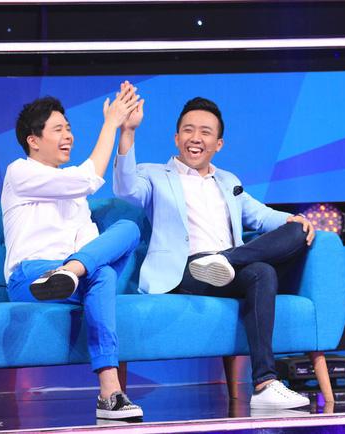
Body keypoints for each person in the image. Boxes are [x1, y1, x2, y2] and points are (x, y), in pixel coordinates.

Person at [113, 96, 332, 409]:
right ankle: (225, 262)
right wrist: (128, 132)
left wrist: (292, 220)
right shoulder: (154, 175)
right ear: (176, 138)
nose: (195, 138)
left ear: (218, 144)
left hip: (227, 266)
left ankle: (264, 385)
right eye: (188, 130)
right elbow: (125, 189)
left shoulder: (228, 181)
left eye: (205, 132)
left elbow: (260, 215)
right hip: (185, 269)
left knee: (278, 253)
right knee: (259, 268)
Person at [1, 83, 145, 420]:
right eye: (58, 129)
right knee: (102, 273)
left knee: (128, 230)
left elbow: (90, 239)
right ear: (33, 140)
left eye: (69, 128)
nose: (68, 136)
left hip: (71, 276)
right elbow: (88, 179)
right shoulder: (19, 172)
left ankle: (71, 271)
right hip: (30, 276)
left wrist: (125, 129)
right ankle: (110, 393)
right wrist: (110, 124)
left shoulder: (74, 192)